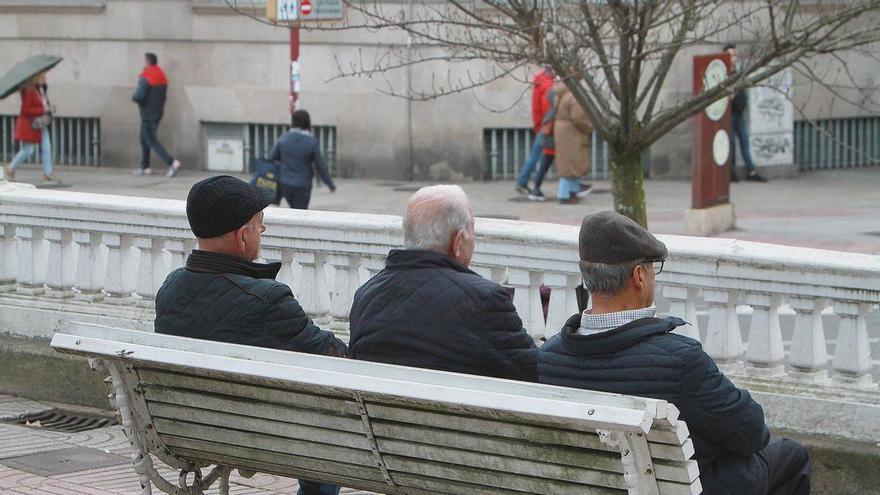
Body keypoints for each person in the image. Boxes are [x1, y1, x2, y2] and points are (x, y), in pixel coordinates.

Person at [539, 211, 811, 495]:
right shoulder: (680, 361)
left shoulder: (549, 358)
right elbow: (752, 432)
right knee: (790, 455)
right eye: (652, 269)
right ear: (638, 276)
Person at [155, 175, 346, 495]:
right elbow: (330, 354)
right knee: (325, 420)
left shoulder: (171, 288)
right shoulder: (267, 298)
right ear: (242, 236)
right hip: (252, 435)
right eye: (260, 224)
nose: (263, 230)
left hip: (186, 429)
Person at [349, 184, 538, 381]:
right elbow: (532, 372)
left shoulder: (366, 294)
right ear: (457, 242)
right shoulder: (484, 300)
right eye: (472, 231)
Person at [269, 109, 335, 209]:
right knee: (300, 214)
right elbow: (320, 166)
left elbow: (272, 157)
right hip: (302, 185)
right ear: (308, 123)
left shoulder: (283, 138)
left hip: (284, 183)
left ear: (293, 122)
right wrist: (330, 185)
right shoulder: (311, 142)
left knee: (293, 211)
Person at [723, 44, 768, 183]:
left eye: (735, 55)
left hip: (739, 113)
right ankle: (731, 172)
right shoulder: (723, 74)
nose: (733, 58)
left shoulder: (738, 73)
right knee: (730, 144)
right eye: (730, 55)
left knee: (744, 143)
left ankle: (751, 171)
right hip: (729, 115)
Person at [132, 52, 181, 177]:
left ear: (148, 62)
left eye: (144, 61)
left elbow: (139, 96)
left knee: (150, 140)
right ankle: (145, 167)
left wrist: (134, 97)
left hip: (147, 113)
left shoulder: (147, 77)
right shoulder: (161, 76)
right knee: (144, 139)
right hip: (157, 112)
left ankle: (172, 162)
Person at [6, 72, 55, 183]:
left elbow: (43, 103)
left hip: (40, 123)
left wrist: (47, 107)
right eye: (42, 76)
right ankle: (11, 168)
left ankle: (48, 173)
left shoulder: (40, 89)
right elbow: (26, 110)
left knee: (46, 146)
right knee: (28, 150)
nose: (44, 78)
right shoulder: (29, 91)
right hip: (30, 124)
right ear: (35, 78)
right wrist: (44, 110)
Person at [552, 81, 593, 204]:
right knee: (572, 163)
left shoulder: (563, 94)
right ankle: (564, 195)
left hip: (565, 131)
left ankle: (573, 191)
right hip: (572, 133)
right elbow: (578, 117)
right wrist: (588, 127)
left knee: (568, 163)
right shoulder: (574, 95)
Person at [515, 67, 554, 195]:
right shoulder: (547, 85)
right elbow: (549, 109)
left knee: (535, 154)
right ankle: (524, 183)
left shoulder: (540, 81)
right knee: (538, 155)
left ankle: (522, 182)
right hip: (547, 127)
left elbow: (537, 107)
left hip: (541, 125)